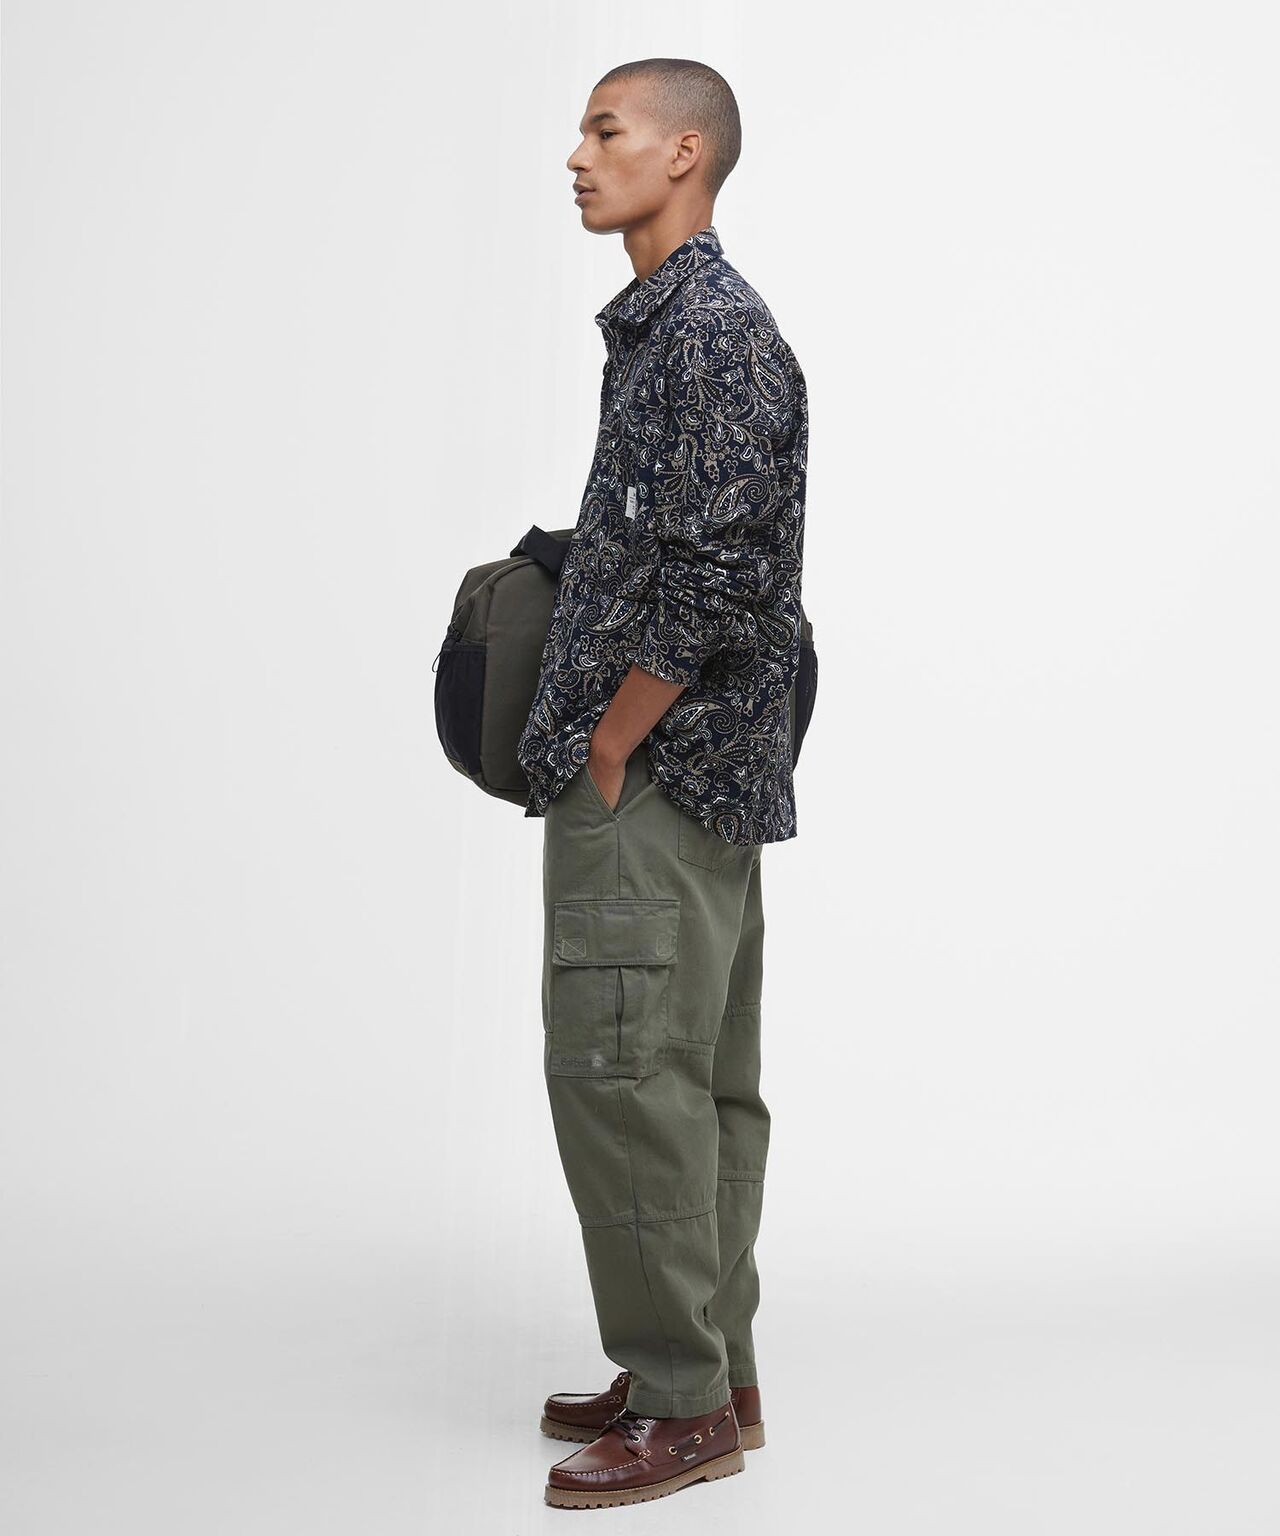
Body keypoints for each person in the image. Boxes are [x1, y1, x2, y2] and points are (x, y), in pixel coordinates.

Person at [515, 55, 809, 1510]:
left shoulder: (708, 336)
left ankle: (683, 1403)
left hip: (662, 784)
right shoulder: (670, 331)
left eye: (605, 128)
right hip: (700, 783)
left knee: (626, 1080)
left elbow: (721, 579)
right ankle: (710, 1375)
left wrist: (615, 737)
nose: (578, 156)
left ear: (684, 153)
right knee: (689, 1083)